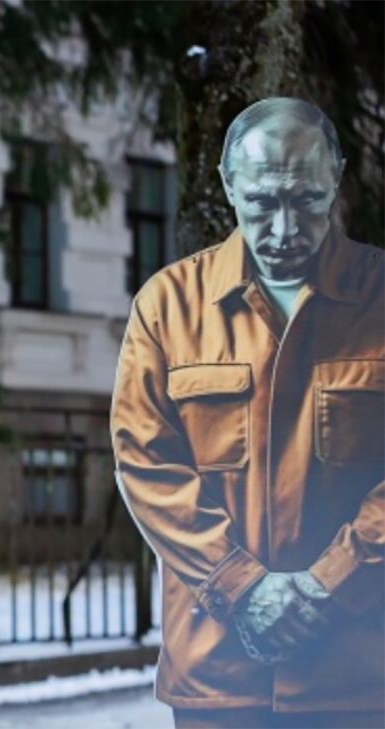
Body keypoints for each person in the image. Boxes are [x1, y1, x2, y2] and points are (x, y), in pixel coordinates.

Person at [111, 97, 385, 729]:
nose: (285, 229)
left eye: (307, 201)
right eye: (262, 203)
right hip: (218, 668)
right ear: (227, 185)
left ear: (336, 178)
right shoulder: (169, 304)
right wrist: (238, 585)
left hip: (359, 672)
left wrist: (333, 581)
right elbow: (147, 465)